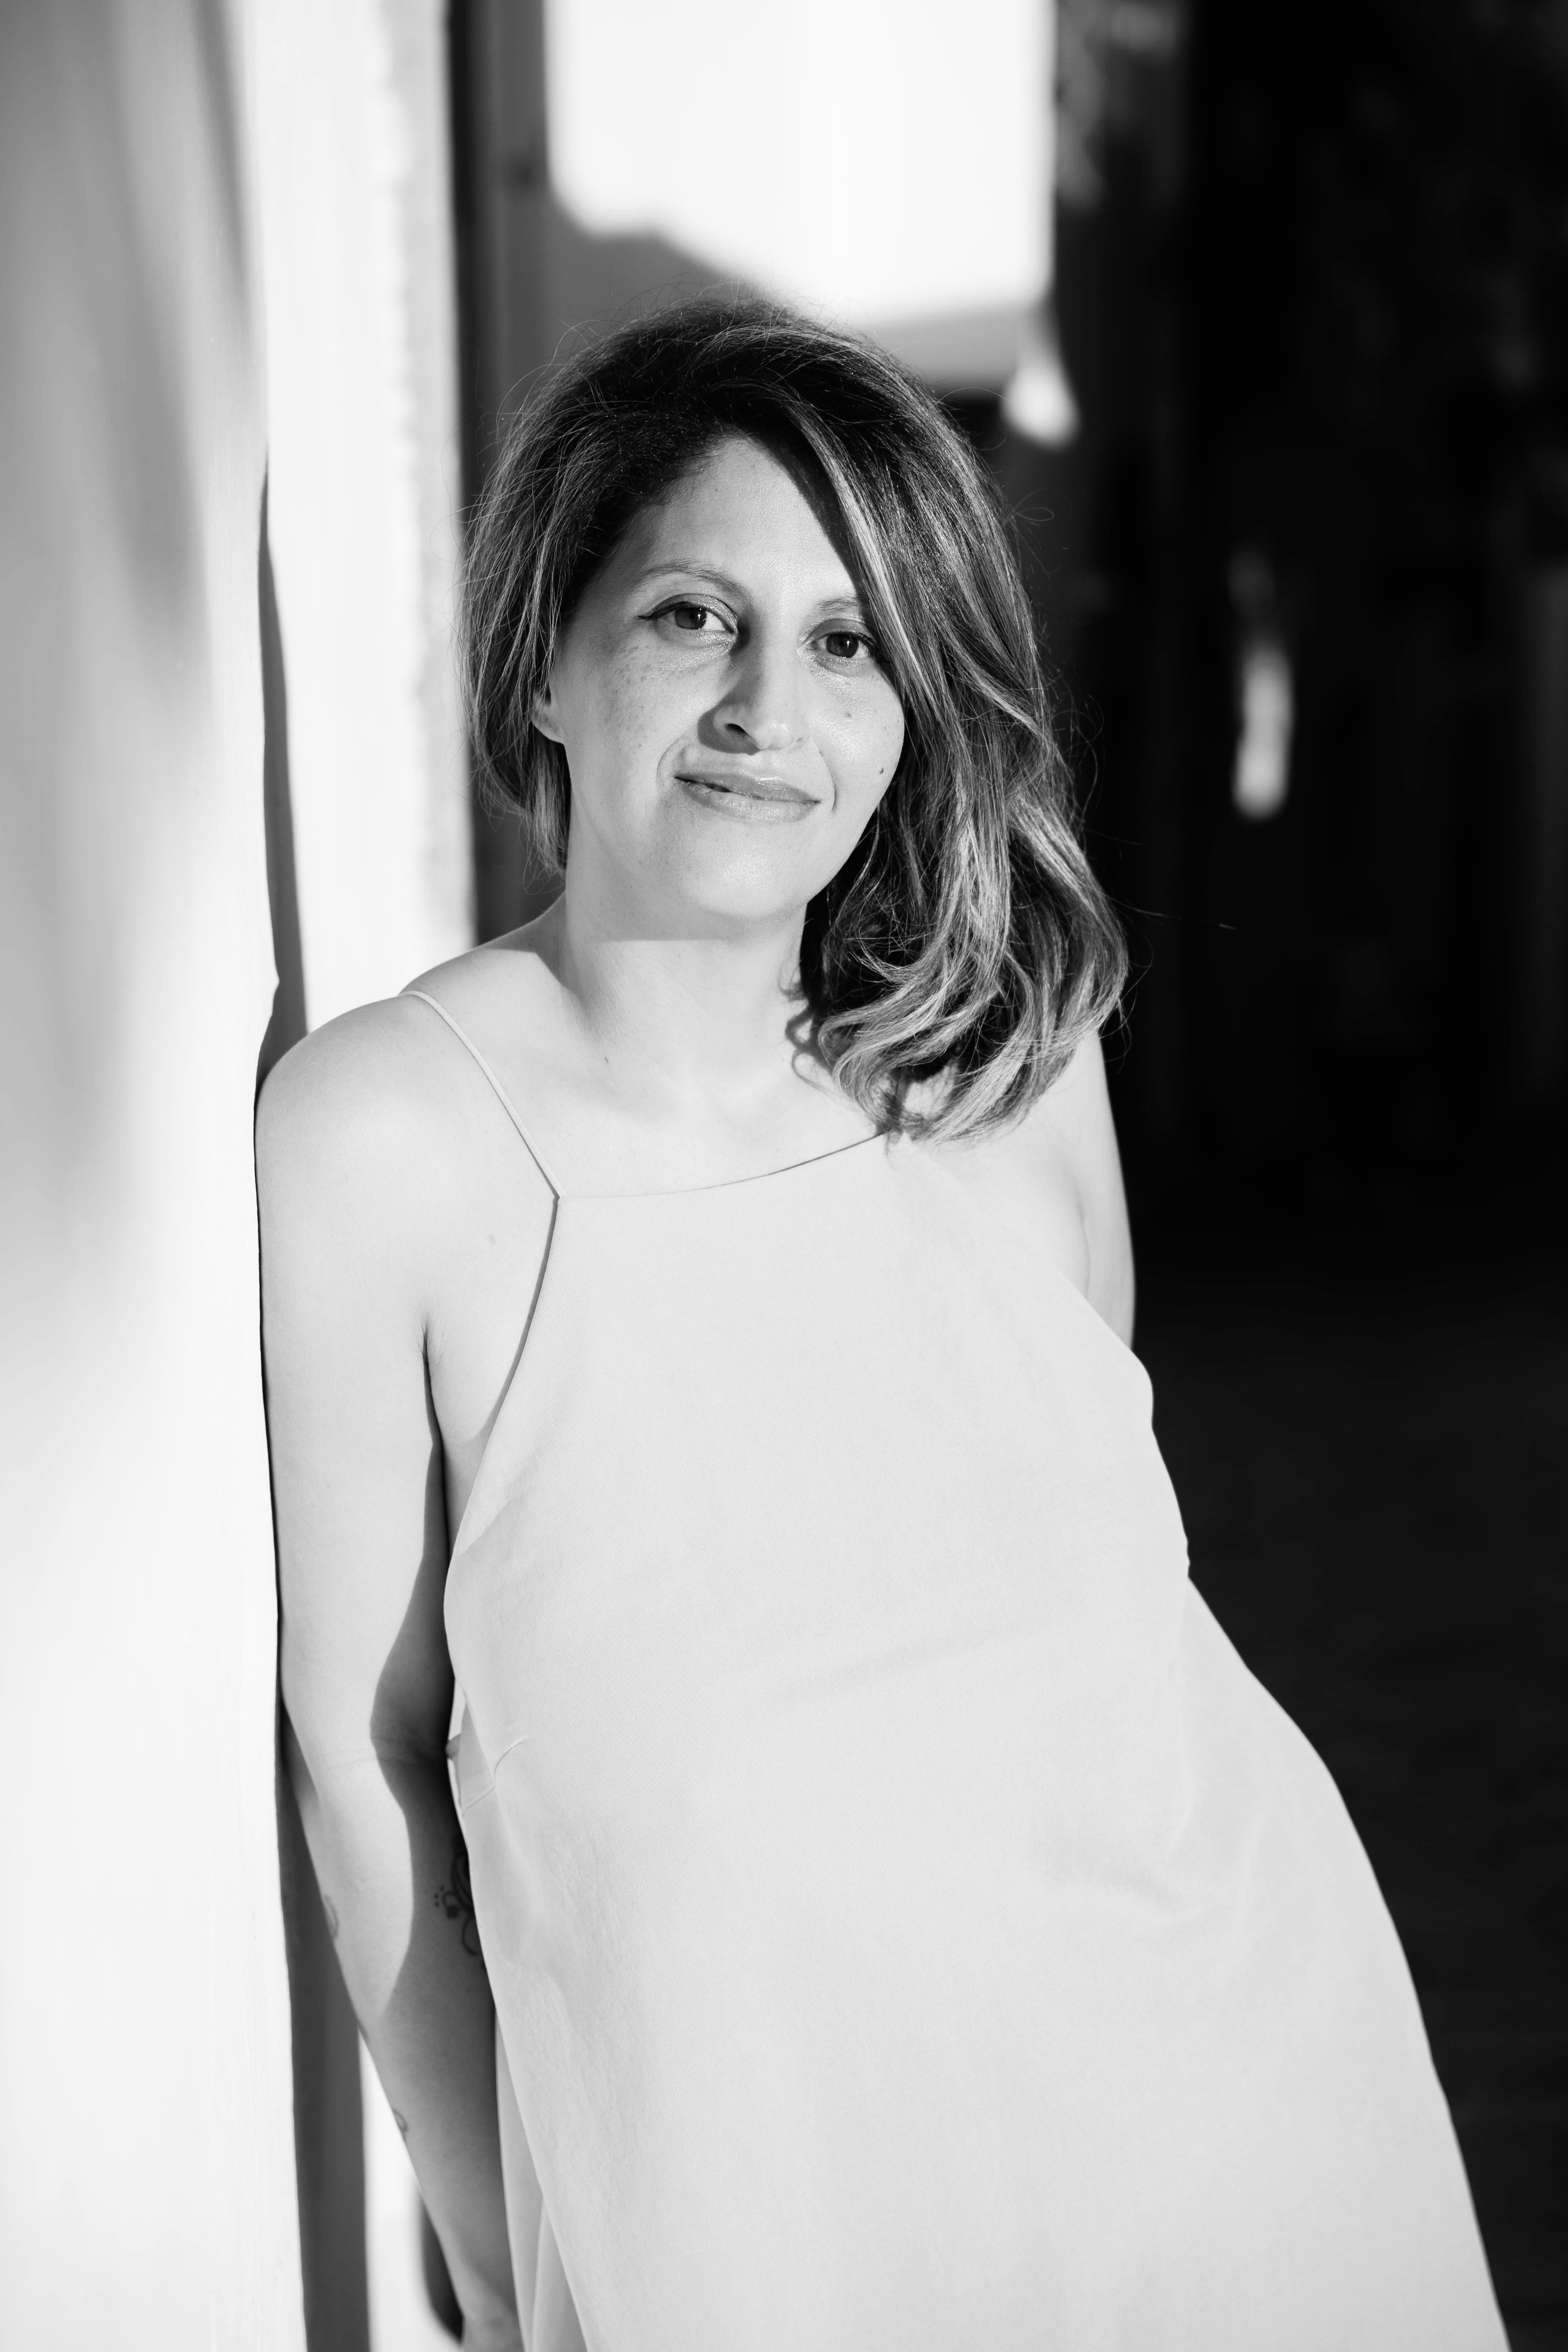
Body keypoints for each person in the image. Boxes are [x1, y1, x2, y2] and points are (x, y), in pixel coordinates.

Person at [257, 299, 1505, 2352]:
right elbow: (365, 1761)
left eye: (850, 642)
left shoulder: (1008, 1066)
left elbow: (1105, 1650)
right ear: (547, 660)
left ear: (917, 708)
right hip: (760, 2232)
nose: (773, 704)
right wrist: (498, 2266)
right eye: (692, 617)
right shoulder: (392, 1136)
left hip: (1246, 2138)